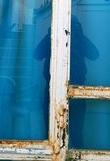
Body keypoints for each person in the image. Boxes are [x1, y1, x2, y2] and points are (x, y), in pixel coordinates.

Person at [34, 14, 99, 147]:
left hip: (76, 91)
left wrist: (79, 36)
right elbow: (37, 54)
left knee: (75, 132)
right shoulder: (53, 38)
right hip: (53, 89)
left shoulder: (79, 40)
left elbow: (95, 55)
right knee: (52, 130)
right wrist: (50, 36)